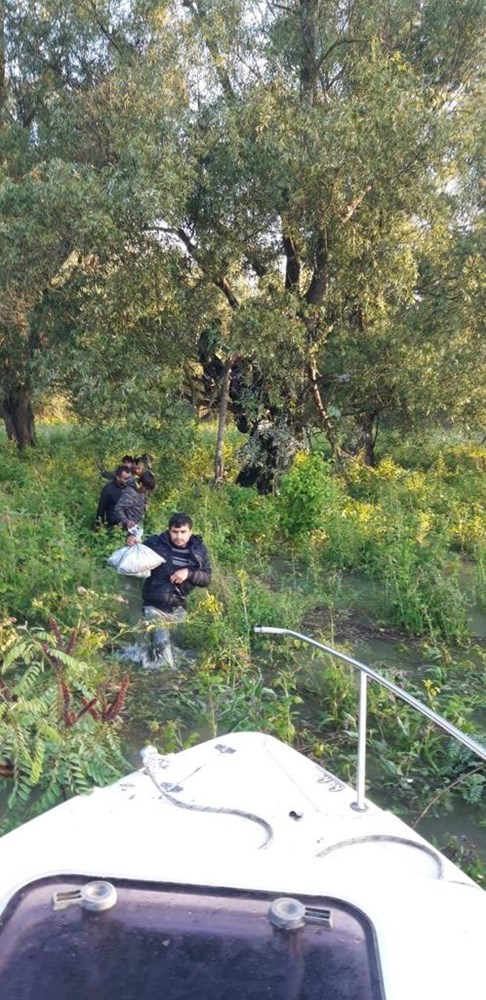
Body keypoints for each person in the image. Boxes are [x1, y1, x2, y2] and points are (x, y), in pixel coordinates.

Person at [126, 512, 211, 665]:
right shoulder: (156, 543)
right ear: (169, 530)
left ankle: (148, 661)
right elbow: (137, 551)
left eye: (183, 532)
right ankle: (160, 674)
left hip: (178, 606)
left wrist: (189, 573)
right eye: (175, 532)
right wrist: (132, 540)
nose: (179, 536)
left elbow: (206, 578)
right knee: (162, 647)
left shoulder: (199, 550)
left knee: (176, 649)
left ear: (190, 532)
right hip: (154, 604)